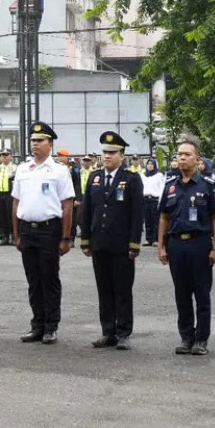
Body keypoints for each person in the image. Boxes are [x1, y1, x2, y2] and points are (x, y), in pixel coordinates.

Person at [157, 140, 215, 355]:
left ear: (197, 159)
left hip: (200, 243)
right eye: (179, 155)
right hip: (176, 244)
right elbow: (164, 218)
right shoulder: (171, 186)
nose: (182, 158)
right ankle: (186, 336)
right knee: (181, 293)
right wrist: (161, 247)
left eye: (186, 154)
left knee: (202, 293)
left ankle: (201, 339)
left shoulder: (208, 185)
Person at [11, 122, 74, 345]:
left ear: (50, 144)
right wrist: (16, 233)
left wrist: (66, 238)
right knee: (33, 280)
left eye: (40, 141)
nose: (35, 145)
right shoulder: (22, 169)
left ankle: (51, 326)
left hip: (49, 230)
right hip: (28, 230)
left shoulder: (59, 170)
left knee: (49, 279)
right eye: (32, 141)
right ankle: (37, 324)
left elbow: (67, 205)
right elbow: (16, 202)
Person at [80, 131, 143, 350]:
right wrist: (85, 239)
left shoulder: (131, 179)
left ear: (121, 156)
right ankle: (108, 331)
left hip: (121, 244)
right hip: (100, 242)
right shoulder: (94, 177)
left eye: (112, 153)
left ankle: (124, 332)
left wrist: (134, 243)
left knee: (122, 289)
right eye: (105, 152)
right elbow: (87, 210)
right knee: (104, 289)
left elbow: (137, 214)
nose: (107, 156)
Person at [140, 157, 165, 249]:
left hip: (155, 199)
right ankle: (148, 239)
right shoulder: (143, 175)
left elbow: (162, 188)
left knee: (155, 220)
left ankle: (155, 239)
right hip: (145, 199)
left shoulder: (159, 175)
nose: (150, 166)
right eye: (148, 164)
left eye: (152, 164)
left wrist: (160, 200)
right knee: (147, 220)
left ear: (155, 165)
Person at [0, 150, 15, 246]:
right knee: (1, 215)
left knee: (10, 215)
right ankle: (4, 237)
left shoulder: (15, 167)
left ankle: (14, 236)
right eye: (3, 155)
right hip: (0, 193)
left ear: (11, 156)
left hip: (10, 194)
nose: (4, 157)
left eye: (6, 155)